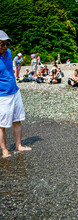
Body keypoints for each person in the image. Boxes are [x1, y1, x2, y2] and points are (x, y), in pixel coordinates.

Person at [0, 30, 31, 158]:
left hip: (15, 91)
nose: (5, 47)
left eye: (7, 44)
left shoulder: (9, 53)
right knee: (2, 125)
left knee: (17, 120)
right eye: (2, 44)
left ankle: (19, 145)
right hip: (3, 95)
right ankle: (5, 150)